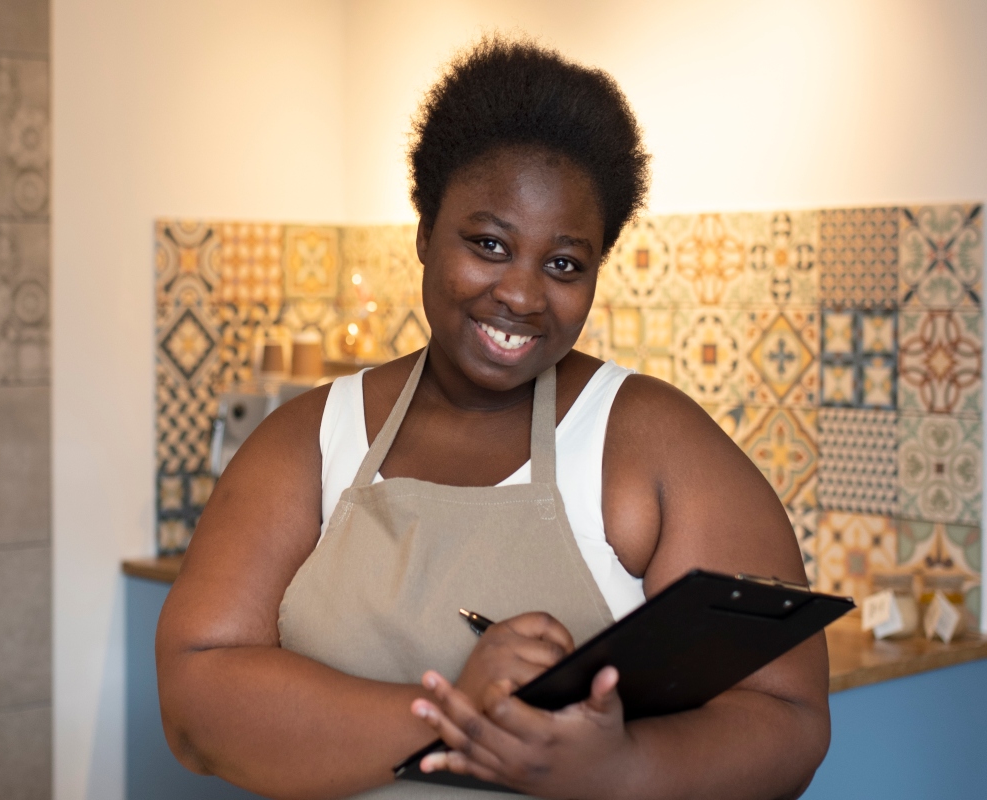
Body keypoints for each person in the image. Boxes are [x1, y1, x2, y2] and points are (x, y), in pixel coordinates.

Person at [156, 36, 829, 800]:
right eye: (488, 244)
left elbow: (788, 718)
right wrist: (459, 715)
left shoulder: (650, 442)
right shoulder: (308, 440)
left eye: (564, 263)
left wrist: (620, 768)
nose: (521, 294)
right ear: (423, 235)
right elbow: (194, 704)